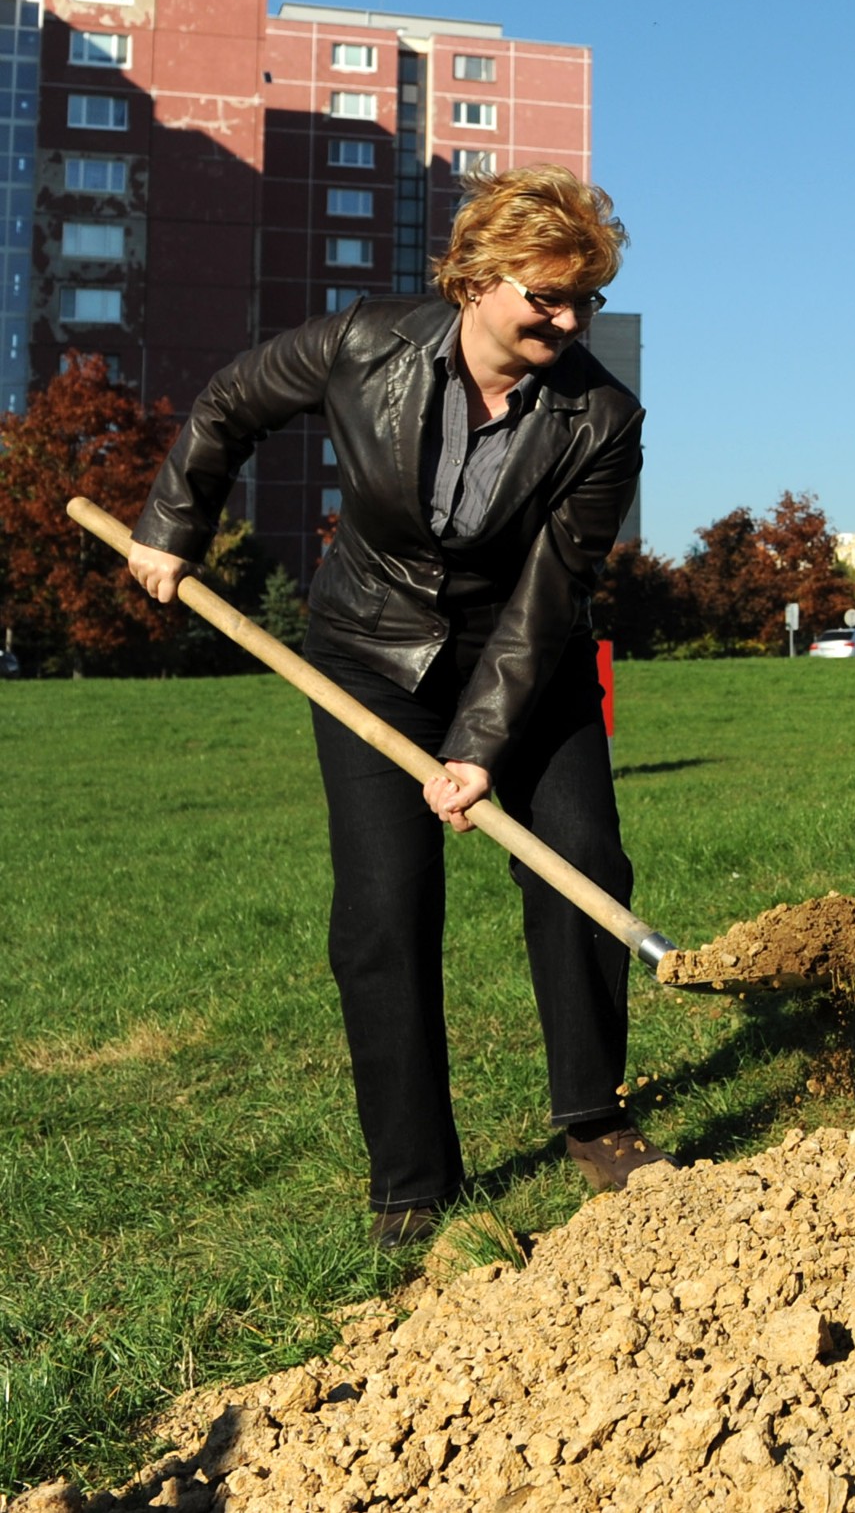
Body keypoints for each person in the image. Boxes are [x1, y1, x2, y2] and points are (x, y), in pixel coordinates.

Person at [124, 169, 654, 1248]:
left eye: (584, 299)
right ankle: (411, 1177)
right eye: (547, 296)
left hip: (521, 662)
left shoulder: (601, 415)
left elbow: (551, 599)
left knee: (584, 862)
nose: (569, 320)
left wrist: (478, 748)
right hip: (368, 656)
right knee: (381, 913)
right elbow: (230, 403)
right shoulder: (366, 344)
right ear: (474, 280)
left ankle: (592, 1118)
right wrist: (172, 525)